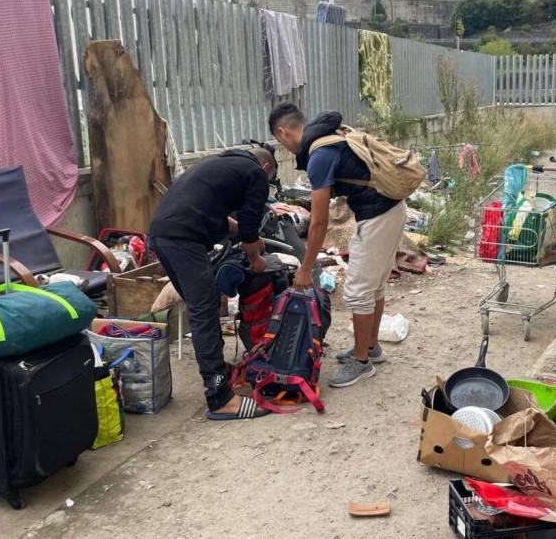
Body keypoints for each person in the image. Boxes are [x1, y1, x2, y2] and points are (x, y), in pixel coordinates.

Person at [268, 104, 406, 388]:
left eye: (280, 141)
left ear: (282, 133)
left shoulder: (319, 155)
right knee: (374, 286)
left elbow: (319, 223)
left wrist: (306, 269)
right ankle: (370, 347)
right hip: (392, 210)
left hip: (379, 216)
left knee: (358, 292)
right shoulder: (331, 137)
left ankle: (361, 362)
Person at [149, 147, 275, 419]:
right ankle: (219, 398)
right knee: (205, 309)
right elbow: (250, 226)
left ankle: (218, 372)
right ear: (266, 168)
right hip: (184, 238)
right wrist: (256, 258)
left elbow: (214, 213)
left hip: (161, 234)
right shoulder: (256, 174)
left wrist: (249, 237)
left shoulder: (220, 164)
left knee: (202, 307)